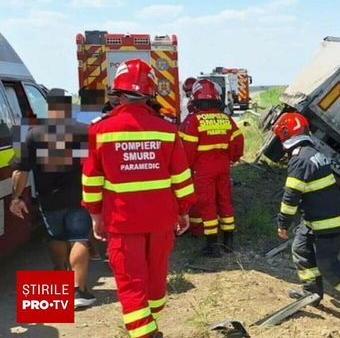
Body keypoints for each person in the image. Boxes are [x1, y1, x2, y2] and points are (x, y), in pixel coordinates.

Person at [82, 58, 195, 338]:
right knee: (156, 280)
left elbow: (91, 180)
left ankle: (145, 332)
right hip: (161, 220)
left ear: (117, 93)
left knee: (131, 284)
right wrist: (184, 211)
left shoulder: (100, 130)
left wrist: (95, 215)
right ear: (150, 93)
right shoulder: (167, 130)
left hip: (122, 222)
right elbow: (181, 178)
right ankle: (151, 326)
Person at [272, 112, 340, 323]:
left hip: (326, 222)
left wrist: (283, 223)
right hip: (315, 219)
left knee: (328, 266)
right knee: (301, 249)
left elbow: (291, 196)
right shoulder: (312, 153)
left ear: (285, 135)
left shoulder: (299, 159)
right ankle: (312, 293)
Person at [10, 88, 96, 309]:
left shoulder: (34, 134)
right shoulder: (84, 131)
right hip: (80, 196)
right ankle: (80, 291)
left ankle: (60, 283)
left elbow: (20, 171)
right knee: (79, 238)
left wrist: (16, 197)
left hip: (50, 200)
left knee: (56, 237)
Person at [179, 79, 243, 257]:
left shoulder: (193, 121)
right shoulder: (227, 119)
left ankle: (212, 246)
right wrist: (230, 158)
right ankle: (229, 242)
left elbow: (186, 152)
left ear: (196, 100)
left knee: (207, 204)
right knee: (224, 201)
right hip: (223, 167)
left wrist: (187, 169)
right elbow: (237, 144)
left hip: (203, 170)